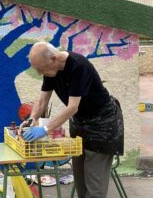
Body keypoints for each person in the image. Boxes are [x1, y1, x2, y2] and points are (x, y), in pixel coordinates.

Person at [21, 41, 124, 198]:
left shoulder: (78, 66)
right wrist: (32, 119)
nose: (40, 74)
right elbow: (42, 101)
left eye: (41, 70)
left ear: (54, 58)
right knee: (80, 181)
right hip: (81, 124)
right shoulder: (51, 70)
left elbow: (72, 107)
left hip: (102, 126)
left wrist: (44, 129)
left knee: (94, 186)